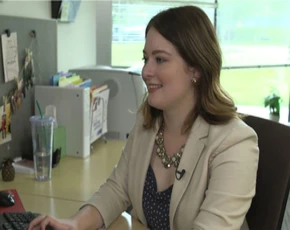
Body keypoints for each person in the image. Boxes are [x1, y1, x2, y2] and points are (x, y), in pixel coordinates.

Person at [28, 5, 259, 230]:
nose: (146, 71)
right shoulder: (148, 122)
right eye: (146, 58)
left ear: (196, 69)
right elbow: (118, 189)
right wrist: (75, 223)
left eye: (160, 59)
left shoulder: (234, 143)